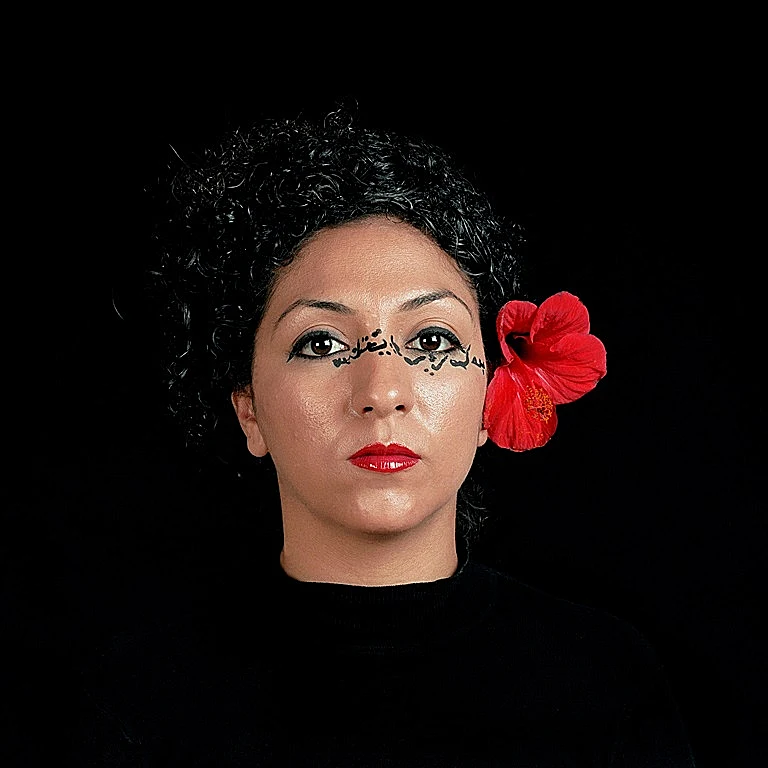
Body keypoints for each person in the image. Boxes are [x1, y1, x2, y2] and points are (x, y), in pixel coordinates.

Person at [72, 105, 697, 766]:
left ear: (492, 392)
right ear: (249, 410)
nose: (381, 392)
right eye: (320, 343)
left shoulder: (603, 684)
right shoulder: (138, 701)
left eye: (432, 341)